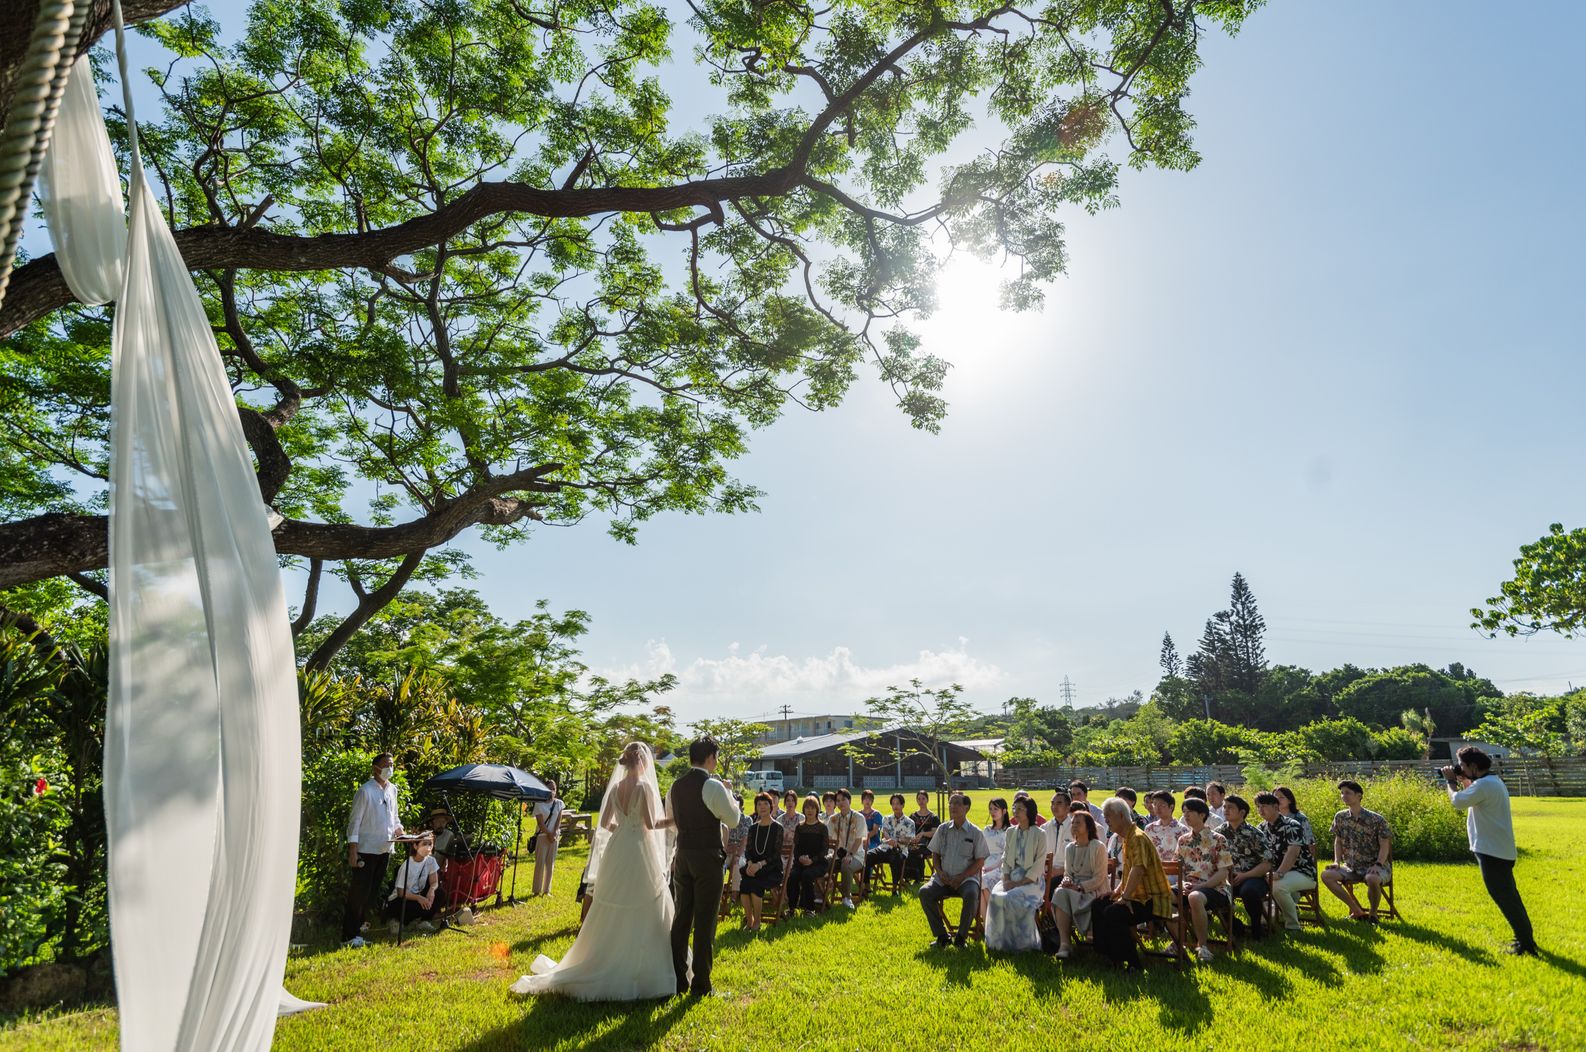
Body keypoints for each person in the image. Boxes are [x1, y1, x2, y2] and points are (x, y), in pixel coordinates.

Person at [512, 742, 678, 1000]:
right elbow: (650, 823)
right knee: (644, 897)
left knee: (613, 897)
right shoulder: (644, 787)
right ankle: (641, 963)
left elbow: (604, 823)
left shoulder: (615, 788)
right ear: (642, 762)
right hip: (638, 849)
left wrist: (622, 830)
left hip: (617, 847)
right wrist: (675, 820)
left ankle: (604, 952)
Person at [1442, 746, 1536, 955]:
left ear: (1474, 766)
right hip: (1498, 849)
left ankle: (1526, 945)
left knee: (1505, 899)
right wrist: (1464, 780)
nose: (1460, 768)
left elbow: (1458, 801)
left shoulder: (1484, 785)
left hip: (1492, 852)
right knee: (1511, 897)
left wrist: (1450, 782)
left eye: (1463, 765)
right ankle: (1525, 939)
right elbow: (1472, 796)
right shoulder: (1491, 782)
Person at [666, 736, 742, 996]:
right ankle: (701, 984)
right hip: (707, 857)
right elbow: (733, 820)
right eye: (716, 756)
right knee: (705, 921)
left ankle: (678, 979)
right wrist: (730, 793)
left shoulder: (675, 786)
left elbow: (673, 822)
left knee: (681, 918)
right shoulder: (712, 785)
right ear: (710, 757)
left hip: (683, 854)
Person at [1093, 797, 1173, 968]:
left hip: (1152, 899)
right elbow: (1128, 872)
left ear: (1121, 816)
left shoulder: (1137, 837)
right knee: (1099, 904)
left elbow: (1138, 869)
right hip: (1138, 896)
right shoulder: (1127, 838)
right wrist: (1116, 892)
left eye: (1108, 816)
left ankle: (1132, 962)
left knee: (1115, 913)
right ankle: (1107, 955)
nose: (1106, 820)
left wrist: (1125, 897)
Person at [342, 752, 404, 947]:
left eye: (391, 765)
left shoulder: (392, 789)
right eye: (386, 765)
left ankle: (359, 927)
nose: (389, 769)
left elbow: (394, 817)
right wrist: (353, 851)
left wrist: (400, 831)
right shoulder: (365, 791)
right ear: (375, 768)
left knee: (371, 893)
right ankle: (348, 936)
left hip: (385, 848)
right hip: (366, 850)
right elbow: (354, 823)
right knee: (359, 893)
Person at [919, 793, 989, 949]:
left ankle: (961, 938)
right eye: (950, 803)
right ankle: (942, 936)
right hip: (943, 878)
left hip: (966, 879)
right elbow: (935, 853)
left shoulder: (975, 832)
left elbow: (980, 861)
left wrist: (962, 877)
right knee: (924, 892)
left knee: (972, 894)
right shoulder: (943, 829)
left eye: (957, 803)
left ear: (966, 808)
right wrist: (939, 872)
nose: (952, 807)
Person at [1319, 779, 1393, 922]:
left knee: (1372, 879)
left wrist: (1378, 864)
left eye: (1348, 793)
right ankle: (1356, 910)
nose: (1343, 796)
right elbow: (1338, 841)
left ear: (1359, 795)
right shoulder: (1340, 817)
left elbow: (1385, 845)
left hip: (1375, 866)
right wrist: (1336, 861)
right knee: (1326, 875)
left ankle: (1373, 915)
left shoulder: (1376, 819)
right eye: (1342, 793)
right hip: (1351, 867)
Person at [986, 797, 1046, 952]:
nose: (1016, 812)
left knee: (1012, 897)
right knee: (996, 896)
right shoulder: (1011, 832)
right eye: (1014, 808)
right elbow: (1005, 858)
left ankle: (1021, 943)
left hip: (1031, 881)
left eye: (1020, 809)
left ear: (1029, 811)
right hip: (1011, 877)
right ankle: (999, 942)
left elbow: (1039, 864)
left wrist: (1018, 883)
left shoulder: (1040, 833)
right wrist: (1006, 879)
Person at [1176, 798, 1231, 963]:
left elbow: (1223, 872)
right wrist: (1182, 883)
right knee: (1162, 894)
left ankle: (1202, 946)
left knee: (1195, 897)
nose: (1186, 815)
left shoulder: (1218, 839)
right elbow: (1178, 868)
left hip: (1215, 888)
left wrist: (1201, 886)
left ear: (1202, 815)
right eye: (1184, 812)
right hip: (1189, 885)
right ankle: (1177, 942)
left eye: (1190, 812)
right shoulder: (1183, 840)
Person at [1048, 809, 1107, 960]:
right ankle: (1065, 943)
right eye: (1073, 822)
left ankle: (1088, 938)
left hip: (1093, 890)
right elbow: (1068, 873)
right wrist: (1066, 881)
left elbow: (1100, 877)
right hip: (1072, 890)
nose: (1074, 825)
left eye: (1078, 823)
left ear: (1088, 826)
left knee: (1064, 894)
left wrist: (1080, 887)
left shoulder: (1098, 847)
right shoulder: (1070, 848)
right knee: (1060, 892)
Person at [1255, 791, 1316, 934]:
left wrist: (1279, 873)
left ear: (1276, 807)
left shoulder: (1292, 825)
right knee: (1253, 886)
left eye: (1264, 806)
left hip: (1302, 872)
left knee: (1277, 887)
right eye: (1258, 807)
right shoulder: (1261, 828)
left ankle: (1293, 926)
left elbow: (1292, 853)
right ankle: (1264, 921)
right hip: (1273, 873)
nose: (1260, 810)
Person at [1221, 794, 1274, 937]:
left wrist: (1245, 876)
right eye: (1224, 807)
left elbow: (1267, 863)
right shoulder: (1219, 833)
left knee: (1248, 891)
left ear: (1242, 812)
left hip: (1254, 877)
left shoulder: (1254, 834)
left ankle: (1257, 928)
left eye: (1230, 807)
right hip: (1226, 877)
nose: (1226, 810)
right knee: (1213, 891)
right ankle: (1234, 925)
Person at [739, 792, 785, 932]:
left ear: (771, 806)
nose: (762, 807)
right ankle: (749, 920)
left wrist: (760, 864)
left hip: (771, 868)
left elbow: (776, 854)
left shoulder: (778, 828)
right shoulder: (753, 828)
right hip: (753, 867)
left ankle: (757, 922)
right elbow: (748, 850)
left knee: (755, 885)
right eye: (759, 804)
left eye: (765, 804)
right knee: (744, 884)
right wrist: (750, 864)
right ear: (756, 808)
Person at [385, 833, 441, 933]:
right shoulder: (406, 865)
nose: (428, 847)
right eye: (424, 844)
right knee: (416, 906)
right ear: (415, 846)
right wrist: (419, 898)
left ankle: (424, 921)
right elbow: (400, 893)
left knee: (440, 893)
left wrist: (432, 890)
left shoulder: (431, 861)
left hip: (418, 894)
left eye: (430, 844)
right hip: (401, 899)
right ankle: (397, 921)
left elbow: (434, 882)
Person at [788, 795, 831, 915]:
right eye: (807, 808)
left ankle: (810, 909)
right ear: (804, 810)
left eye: (812, 808)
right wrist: (800, 858)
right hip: (801, 862)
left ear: (817, 809)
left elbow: (824, 850)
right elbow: (796, 848)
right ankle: (791, 908)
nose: (810, 810)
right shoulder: (800, 827)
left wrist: (812, 860)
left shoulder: (822, 828)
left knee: (807, 875)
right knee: (793, 876)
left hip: (818, 863)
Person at [829, 788, 867, 908]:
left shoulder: (859, 817)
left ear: (849, 800)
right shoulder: (833, 819)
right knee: (822, 863)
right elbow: (828, 839)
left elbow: (859, 840)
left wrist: (850, 855)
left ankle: (846, 898)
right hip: (837, 855)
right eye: (838, 800)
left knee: (846, 864)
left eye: (843, 799)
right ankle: (819, 897)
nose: (840, 803)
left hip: (856, 856)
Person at [869, 793, 915, 891]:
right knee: (868, 856)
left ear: (903, 805)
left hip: (900, 850)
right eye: (893, 804)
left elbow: (908, 840)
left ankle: (895, 888)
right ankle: (866, 886)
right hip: (884, 848)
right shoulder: (886, 818)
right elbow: (884, 832)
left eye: (897, 803)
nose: (895, 806)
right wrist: (889, 840)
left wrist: (897, 841)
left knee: (895, 859)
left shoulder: (910, 822)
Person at [531, 780, 565, 897]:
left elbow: (558, 820)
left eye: (553, 788)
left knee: (550, 864)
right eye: (549, 788)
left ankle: (547, 890)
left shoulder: (559, 803)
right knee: (540, 864)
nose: (551, 791)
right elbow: (540, 823)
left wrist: (554, 833)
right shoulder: (539, 804)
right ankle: (536, 890)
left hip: (554, 837)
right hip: (542, 836)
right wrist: (549, 834)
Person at [980, 798, 1011, 922]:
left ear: (1004, 811)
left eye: (996, 809)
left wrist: (991, 868)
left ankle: (993, 921)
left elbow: (1008, 855)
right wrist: (981, 867)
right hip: (985, 865)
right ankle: (987, 925)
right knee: (977, 883)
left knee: (983, 880)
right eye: (990, 809)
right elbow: (981, 852)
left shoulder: (1010, 831)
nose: (992, 812)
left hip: (1001, 867)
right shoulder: (986, 830)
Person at [1043, 790, 1073, 900]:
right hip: (1045, 873)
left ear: (1068, 807)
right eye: (1052, 803)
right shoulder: (1044, 828)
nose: (1054, 806)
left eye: (1059, 803)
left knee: (1051, 886)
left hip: (1067, 875)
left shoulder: (1075, 828)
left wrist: (1061, 871)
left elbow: (1079, 859)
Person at [905, 790, 940, 881]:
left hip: (928, 844)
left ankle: (917, 876)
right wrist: (912, 839)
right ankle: (908, 876)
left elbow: (935, 833)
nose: (921, 801)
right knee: (906, 850)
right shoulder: (912, 816)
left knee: (916, 851)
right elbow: (908, 831)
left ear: (927, 800)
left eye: (923, 798)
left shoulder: (933, 817)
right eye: (919, 799)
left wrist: (923, 834)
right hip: (913, 842)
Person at [1145, 790, 1187, 864]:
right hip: (1154, 869)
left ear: (1171, 807)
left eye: (1162, 805)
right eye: (1155, 804)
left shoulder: (1182, 830)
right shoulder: (1149, 829)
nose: (1157, 808)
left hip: (1175, 870)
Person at [723, 793, 753, 894]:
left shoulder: (747, 820)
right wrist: (726, 849)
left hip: (741, 853)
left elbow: (745, 840)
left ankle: (734, 896)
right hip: (727, 852)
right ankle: (718, 892)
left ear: (741, 807)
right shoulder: (725, 819)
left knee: (736, 864)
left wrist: (737, 854)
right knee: (718, 864)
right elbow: (723, 838)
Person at [426, 807, 460, 871]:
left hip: (441, 870)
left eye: (443, 822)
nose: (441, 824)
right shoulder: (426, 835)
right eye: (438, 821)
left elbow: (451, 856)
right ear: (431, 823)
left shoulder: (449, 835)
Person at [859, 789, 884, 855]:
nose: (867, 801)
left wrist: (865, 838)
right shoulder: (858, 815)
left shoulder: (876, 814)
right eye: (865, 799)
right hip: (859, 840)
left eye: (869, 799)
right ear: (862, 801)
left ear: (872, 801)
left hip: (873, 842)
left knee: (867, 850)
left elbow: (875, 831)